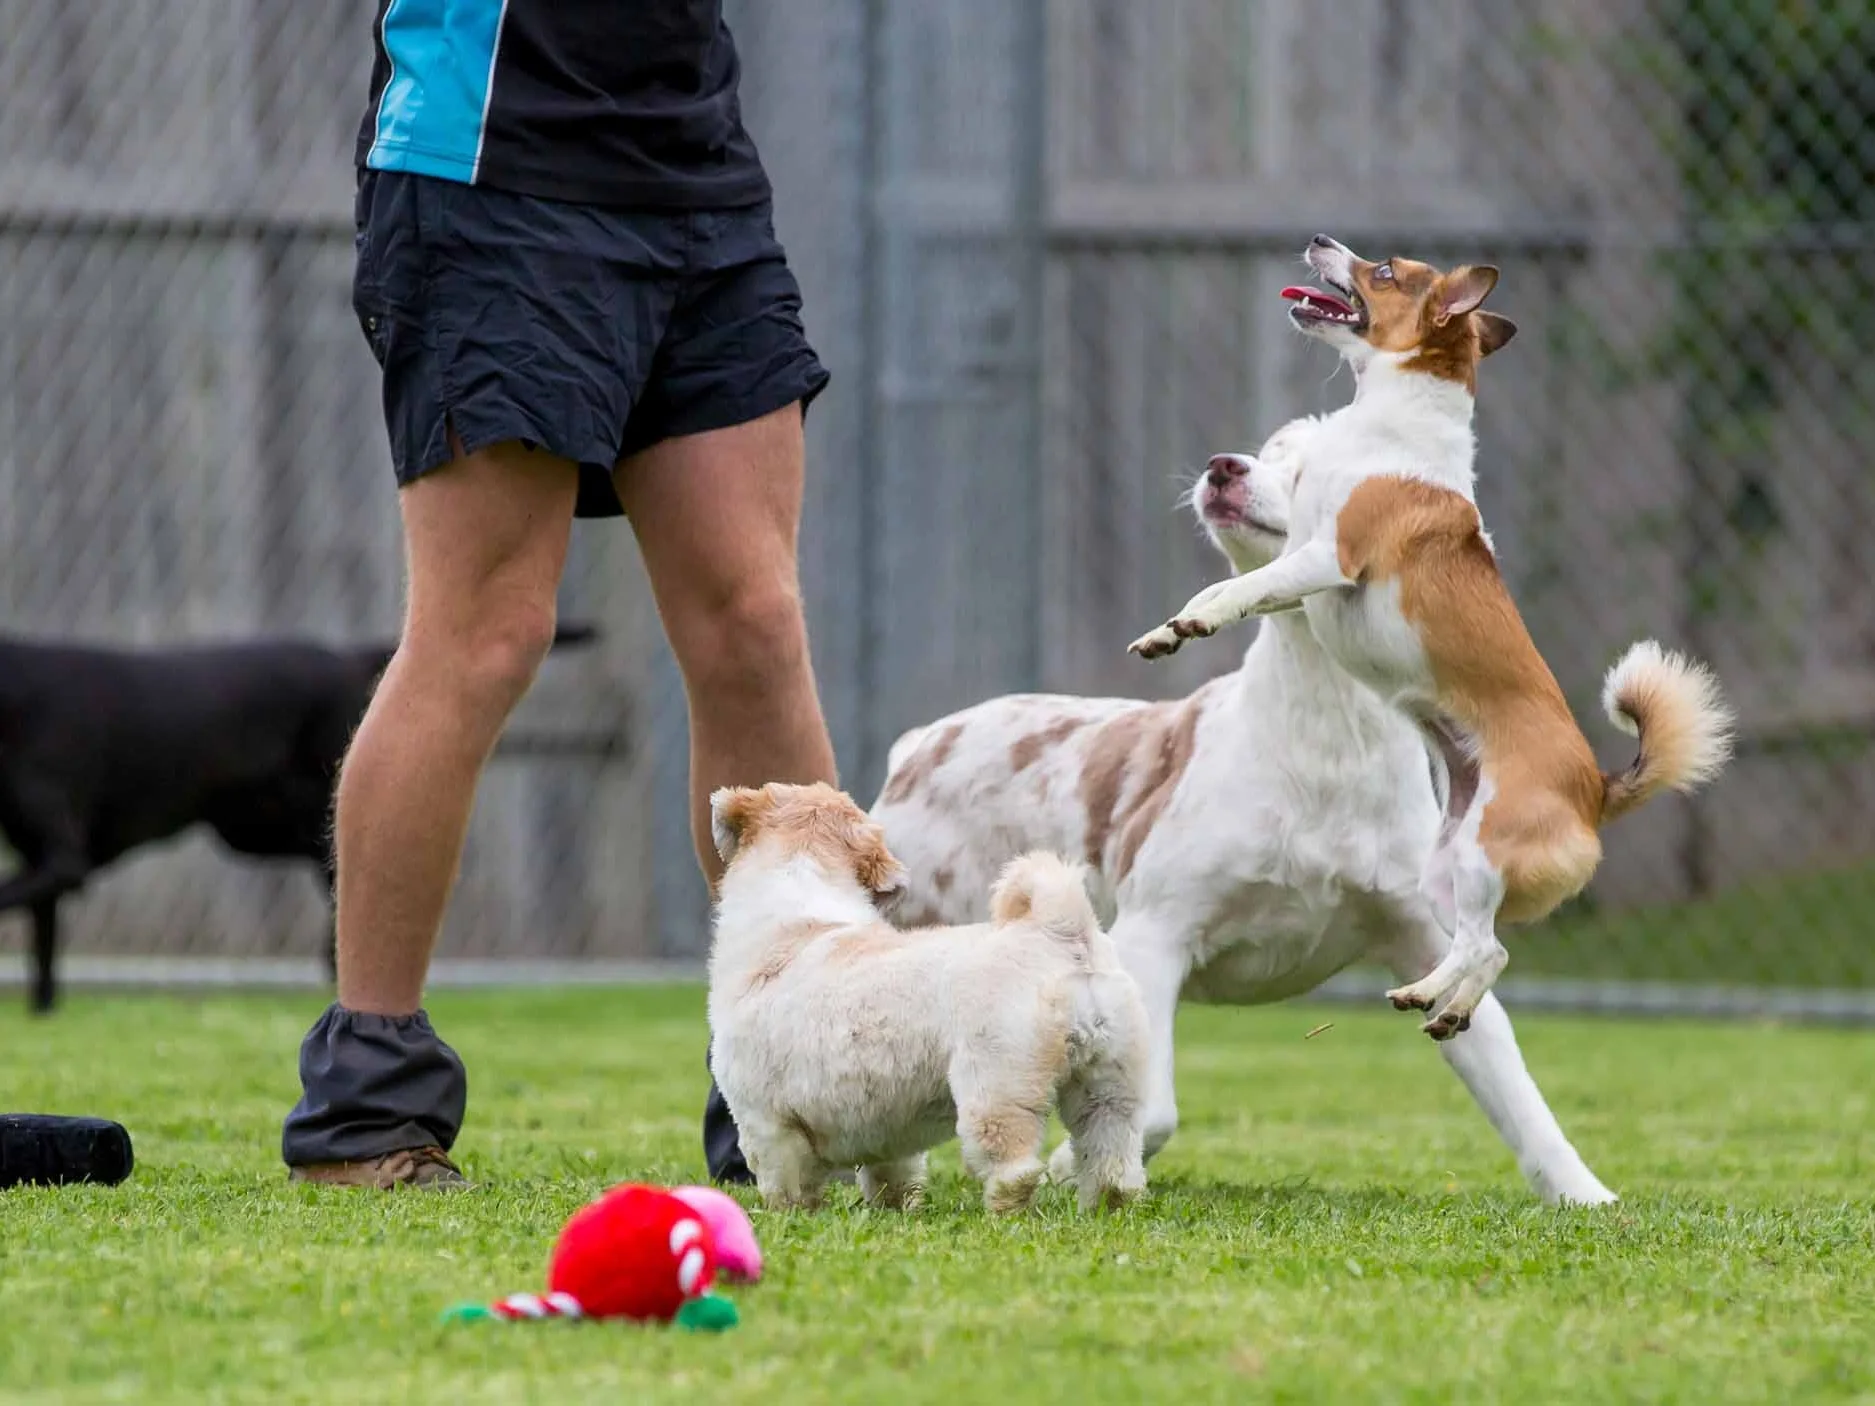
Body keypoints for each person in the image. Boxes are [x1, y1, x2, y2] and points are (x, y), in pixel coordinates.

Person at [281, 0, 836, 1189]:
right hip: (491, 169)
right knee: (486, 630)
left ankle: (795, 1080)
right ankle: (367, 1105)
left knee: (754, 622)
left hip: (695, 178)